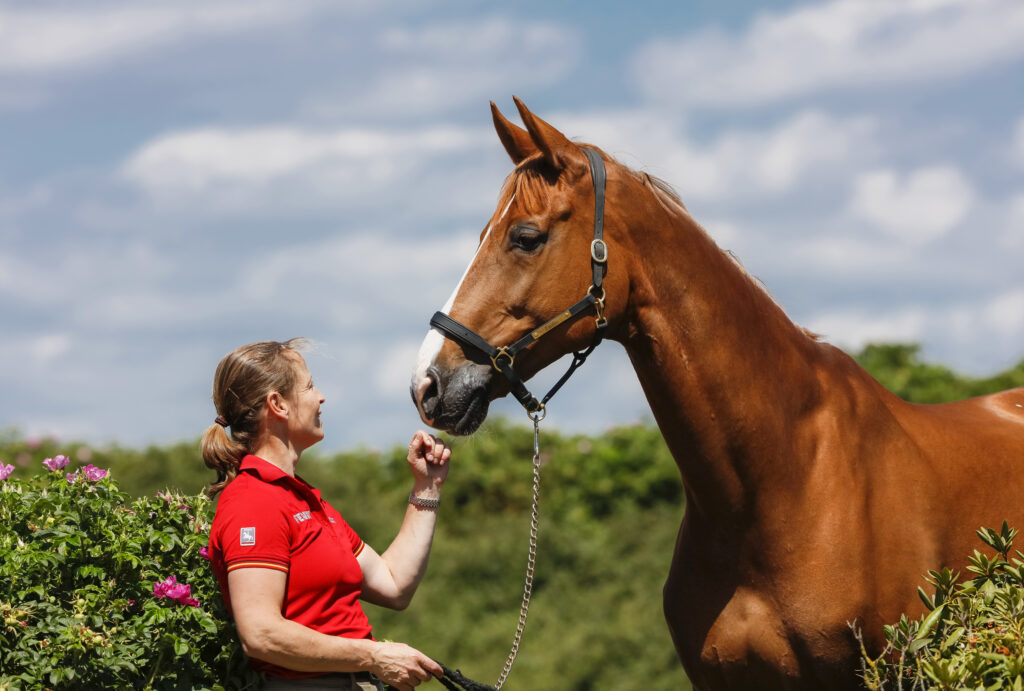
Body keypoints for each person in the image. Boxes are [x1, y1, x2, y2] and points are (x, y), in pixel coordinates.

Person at [202, 338, 450, 691]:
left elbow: (394, 585)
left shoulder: (306, 501)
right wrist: (374, 657)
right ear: (278, 404)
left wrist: (426, 490)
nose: (321, 397)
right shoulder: (253, 501)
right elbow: (260, 634)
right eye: (309, 385)